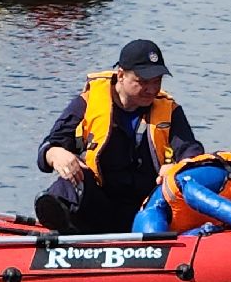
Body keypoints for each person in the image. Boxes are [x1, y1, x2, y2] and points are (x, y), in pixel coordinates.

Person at [34, 39, 205, 234]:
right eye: (143, 82)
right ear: (121, 75)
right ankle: (59, 227)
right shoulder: (88, 103)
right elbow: (47, 148)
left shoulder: (170, 111)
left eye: (157, 81)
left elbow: (193, 154)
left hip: (147, 209)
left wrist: (176, 168)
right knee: (73, 177)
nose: (152, 89)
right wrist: (55, 154)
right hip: (98, 204)